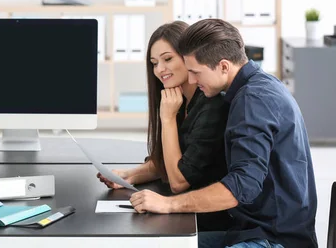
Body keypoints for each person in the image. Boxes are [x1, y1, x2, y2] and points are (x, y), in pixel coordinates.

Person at [128, 19, 318, 248]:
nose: (191, 80)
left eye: (196, 73)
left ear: (224, 66)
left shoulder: (252, 101)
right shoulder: (258, 85)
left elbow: (242, 186)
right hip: (250, 230)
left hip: (272, 239)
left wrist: (169, 204)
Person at [97, 21, 231, 231]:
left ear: (188, 58)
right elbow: (166, 162)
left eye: (167, 59)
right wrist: (128, 176)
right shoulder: (177, 99)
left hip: (207, 220)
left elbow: (179, 181)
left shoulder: (211, 105)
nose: (159, 70)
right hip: (183, 213)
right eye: (154, 62)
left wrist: (167, 119)